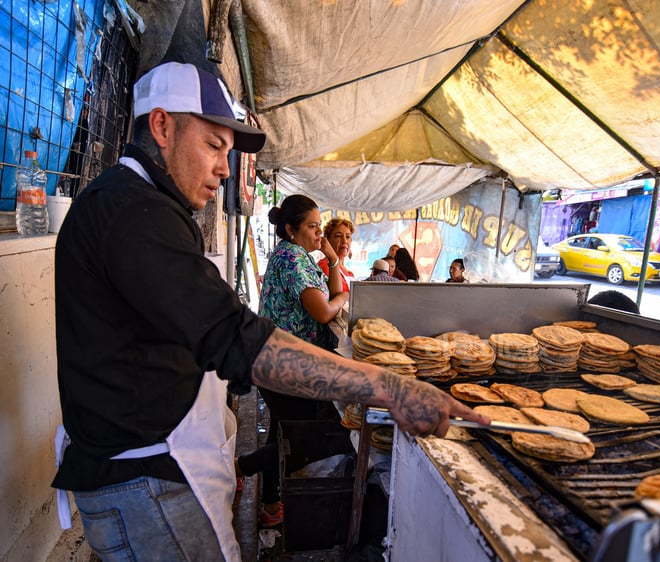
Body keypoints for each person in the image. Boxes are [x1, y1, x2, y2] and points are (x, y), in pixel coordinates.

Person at [51, 61, 488, 562]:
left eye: (228, 152)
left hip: (150, 472)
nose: (223, 167)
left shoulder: (142, 206)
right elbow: (238, 340)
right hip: (146, 486)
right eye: (213, 145)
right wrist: (386, 386)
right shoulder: (134, 214)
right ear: (162, 126)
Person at [237, 194, 349, 527]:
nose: (321, 234)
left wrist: (333, 262)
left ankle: (271, 505)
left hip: (279, 362)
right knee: (301, 436)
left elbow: (325, 294)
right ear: (291, 229)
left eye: (320, 226)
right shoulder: (292, 259)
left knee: (280, 431)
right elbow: (324, 310)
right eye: (313, 227)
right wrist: (344, 296)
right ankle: (240, 468)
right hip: (284, 365)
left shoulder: (297, 255)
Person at [318, 217, 356, 292]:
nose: (344, 241)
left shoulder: (349, 273)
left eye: (348, 237)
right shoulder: (324, 266)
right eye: (338, 236)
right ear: (328, 240)